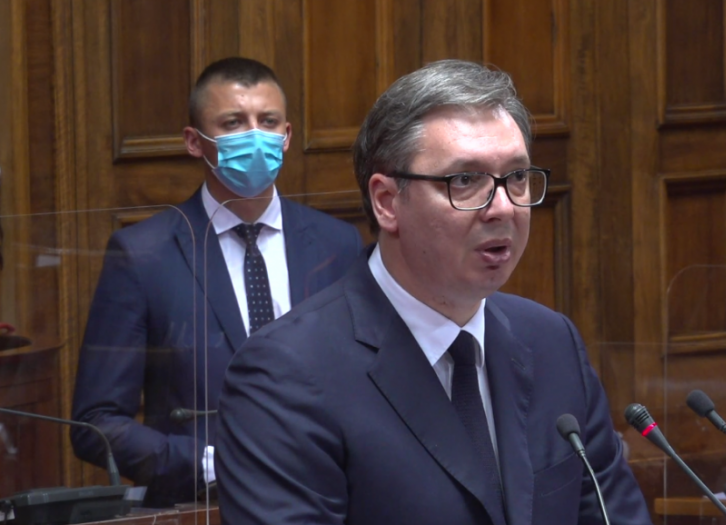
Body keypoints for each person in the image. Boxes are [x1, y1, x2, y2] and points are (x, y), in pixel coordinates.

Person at [216, 59, 650, 525]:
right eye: (465, 180)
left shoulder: (552, 342)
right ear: (387, 202)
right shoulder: (285, 375)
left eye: (517, 177)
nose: (503, 207)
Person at [70, 57, 363, 507]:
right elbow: (96, 422)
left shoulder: (337, 243)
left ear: (287, 136)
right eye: (233, 123)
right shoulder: (142, 255)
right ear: (194, 141)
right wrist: (212, 463)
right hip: (204, 503)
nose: (255, 135)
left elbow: (366, 384)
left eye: (268, 121)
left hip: (325, 500)